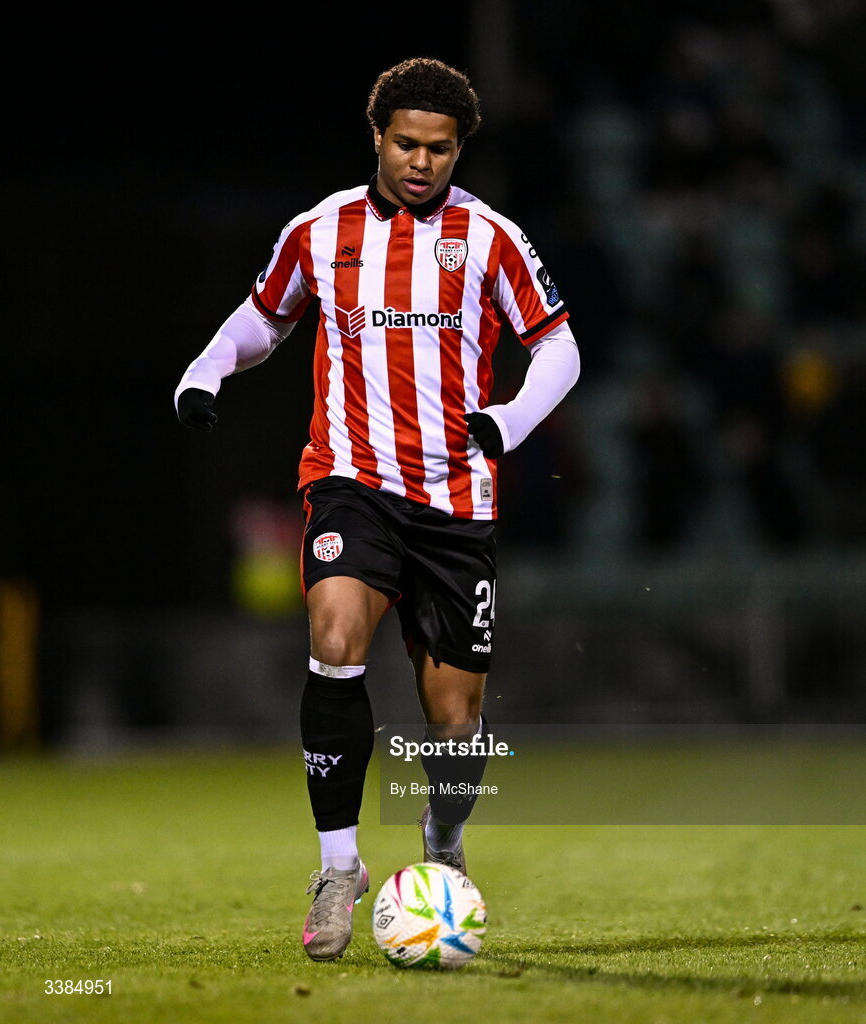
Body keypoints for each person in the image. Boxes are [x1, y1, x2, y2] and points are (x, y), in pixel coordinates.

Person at [174, 57, 580, 962]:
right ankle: (338, 865)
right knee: (333, 639)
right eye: (406, 143)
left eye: (440, 148)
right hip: (349, 482)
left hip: (453, 501)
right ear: (377, 138)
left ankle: (440, 837)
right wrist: (206, 369)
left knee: (456, 723)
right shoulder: (321, 230)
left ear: (458, 149)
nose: (422, 162)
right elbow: (263, 315)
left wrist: (508, 422)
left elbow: (559, 347)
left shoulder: (492, 239)